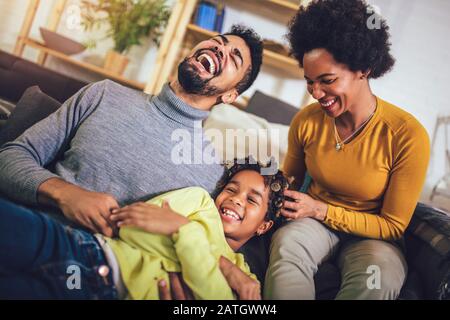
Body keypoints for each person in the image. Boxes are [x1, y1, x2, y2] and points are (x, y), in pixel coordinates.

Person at [0, 25, 263, 297]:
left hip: (94, 278)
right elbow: (9, 158)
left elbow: (199, 252)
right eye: (217, 41)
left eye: (234, 58)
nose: (220, 48)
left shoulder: (212, 175)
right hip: (33, 230)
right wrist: (65, 194)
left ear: (230, 95)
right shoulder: (104, 95)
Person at [264, 0, 430, 300]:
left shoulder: (407, 135)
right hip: (313, 225)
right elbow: (288, 182)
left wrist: (320, 209)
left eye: (327, 81)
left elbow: (392, 226)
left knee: (378, 278)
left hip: (373, 236)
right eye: (309, 82)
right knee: (287, 245)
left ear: (363, 69)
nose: (316, 94)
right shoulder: (306, 121)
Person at [0, 158, 288, 299]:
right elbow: (130, 227)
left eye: (252, 199)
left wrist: (182, 229)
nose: (236, 199)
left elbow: (210, 298)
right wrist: (208, 268)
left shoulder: (247, 280)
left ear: (264, 225)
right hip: (85, 249)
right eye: (231, 189)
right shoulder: (199, 202)